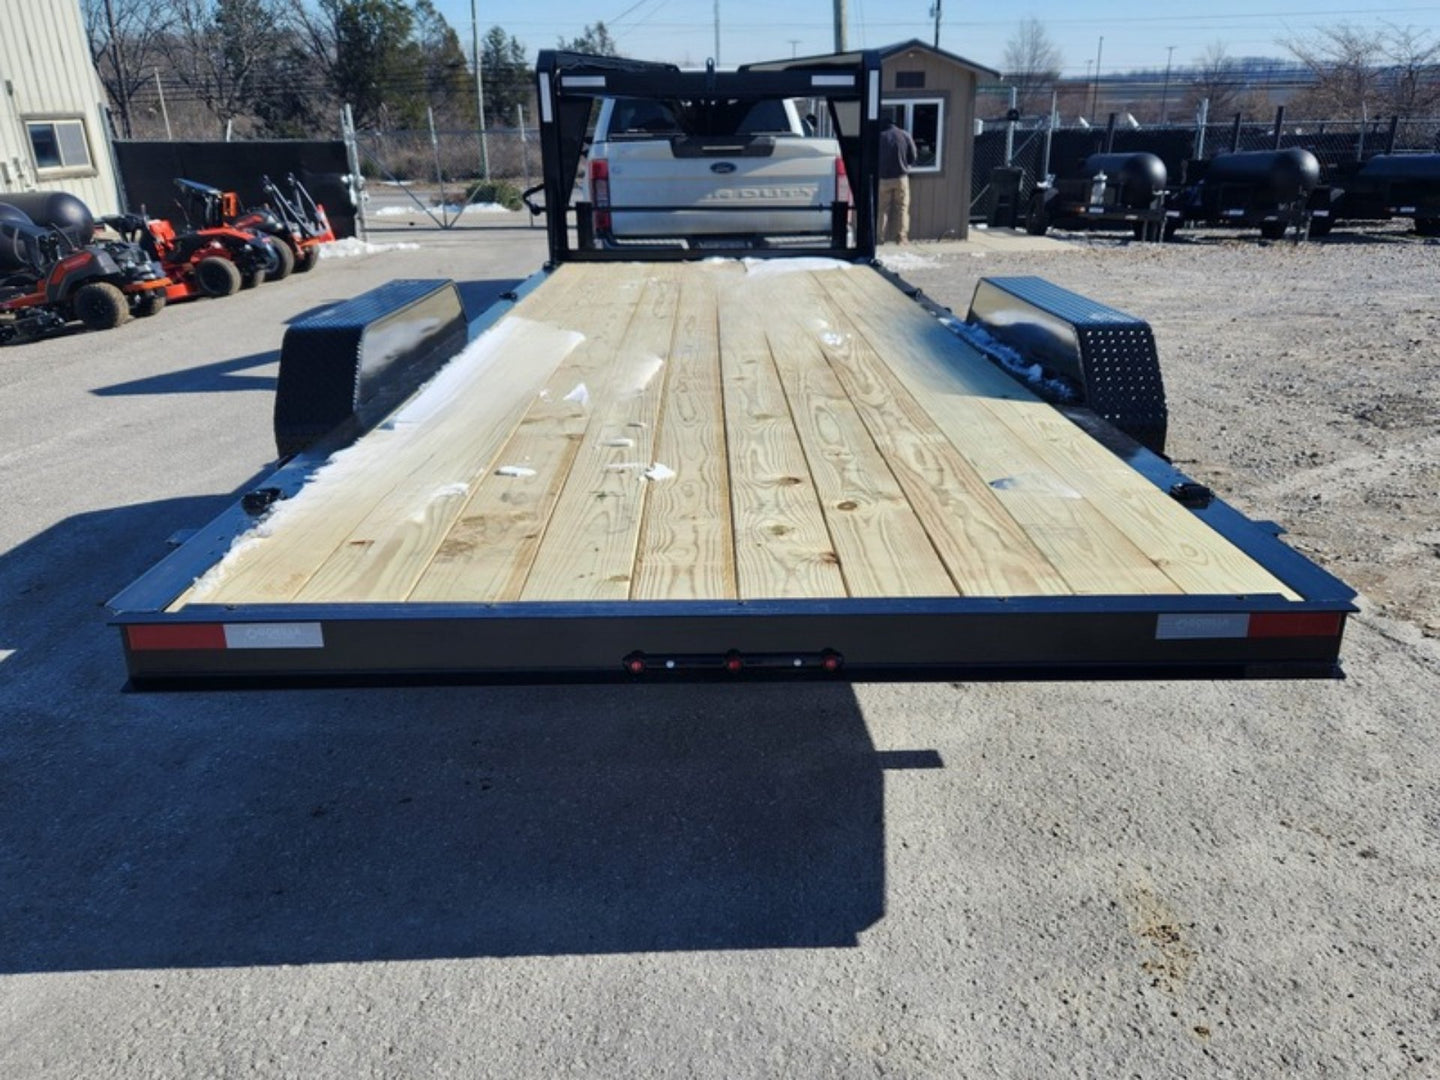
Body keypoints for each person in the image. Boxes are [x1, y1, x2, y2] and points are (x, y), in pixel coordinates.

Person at [878, 114, 918, 244]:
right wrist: (907, 165)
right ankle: (901, 237)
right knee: (902, 208)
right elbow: (913, 155)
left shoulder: (879, 136)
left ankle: (879, 238)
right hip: (901, 178)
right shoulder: (904, 135)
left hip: (883, 179)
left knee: (882, 209)